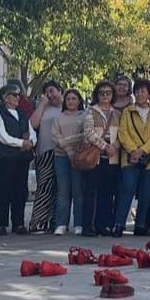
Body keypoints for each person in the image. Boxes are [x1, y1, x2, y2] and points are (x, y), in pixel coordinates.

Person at [113, 78, 150, 237]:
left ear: (149, 94)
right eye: (137, 91)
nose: (140, 94)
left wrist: (143, 150)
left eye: (143, 91)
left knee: (146, 192)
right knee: (127, 190)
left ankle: (140, 224)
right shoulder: (128, 112)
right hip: (130, 158)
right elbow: (123, 133)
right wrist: (134, 150)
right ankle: (119, 224)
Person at [0, 85, 36, 235]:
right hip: (4, 159)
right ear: (5, 97)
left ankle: (18, 223)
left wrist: (31, 143)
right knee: (2, 191)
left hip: (21, 159)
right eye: (14, 95)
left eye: (18, 95)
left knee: (20, 191)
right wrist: (21, 143)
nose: (17, 98)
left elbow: (31, 132)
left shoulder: (22, 114)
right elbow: (3, 136)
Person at [78, 82, 120, 237]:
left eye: (108, 92)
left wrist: (114, 146)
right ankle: (87, 226)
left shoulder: (117, 113)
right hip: (94, 157)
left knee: (107, 193)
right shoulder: (91, 111)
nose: (105, 95)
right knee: (90, 193)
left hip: (111, 158)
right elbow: (88, 132)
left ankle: (103, 225)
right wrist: (105, 146)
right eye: (101, 92)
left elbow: (121, 133)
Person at [48, 89, 89, 235]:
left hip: (79, 157)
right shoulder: (59, 117)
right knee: (63, 191)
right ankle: (61, 224)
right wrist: (68, 149)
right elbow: (55, 137)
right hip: (61, 157)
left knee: (78, 191)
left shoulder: (85, 116)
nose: (71, 101)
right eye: (68, 99)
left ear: (79, 101)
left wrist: (68, 144)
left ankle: (78, 223)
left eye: (74, 99)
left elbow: (84, 135)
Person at [27, 82, 64, 234]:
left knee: (60, 188)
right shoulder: (44, 108)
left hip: (63, 152)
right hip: (46, 151)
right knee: (44, 187)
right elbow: (32, 124)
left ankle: (55, 221)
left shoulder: (67, 107)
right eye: (47, 92)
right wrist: (42, 104)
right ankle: (38, 222)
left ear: (60, 91)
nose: (50, 95)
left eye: (52, 91)